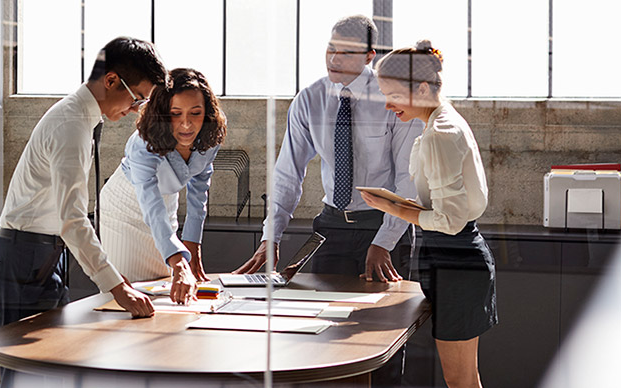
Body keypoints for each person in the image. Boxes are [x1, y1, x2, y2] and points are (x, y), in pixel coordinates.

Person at [0, 36, 166, 329]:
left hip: (41, 253)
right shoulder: (71, 126)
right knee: (25, 368)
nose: (136, 109)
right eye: (138, 98)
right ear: (110, 80)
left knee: (47, 366)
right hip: (24, 256)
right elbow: (73, 219)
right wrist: (118, 288)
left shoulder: (81, 119)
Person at [234, 15, 423, 283]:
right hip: (332, 227)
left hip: (383, 224)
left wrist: (385, 241)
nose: (334, 59)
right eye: (331, 49)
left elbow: (408, 178)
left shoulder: (393, 99)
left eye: (346, 53)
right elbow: (288, 174)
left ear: (369, 56)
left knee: (382, 319)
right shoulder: (310, 100)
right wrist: (271, 237)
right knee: (325, 313)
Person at [363, 40, 497, 388]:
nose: (387, 103)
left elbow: (450, 221)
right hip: (453, 256)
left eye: (392, 93)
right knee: (464, 379)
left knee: (460, 380)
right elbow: (442, 207)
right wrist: (397, 204)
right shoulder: (439, 123)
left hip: (457, 259)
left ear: (421, 88)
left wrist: (393, 208)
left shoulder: (440, 133)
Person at [100, 68, 227, 304]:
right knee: (129, 298)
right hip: (125, 209)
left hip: (166, 205)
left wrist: (192, 244)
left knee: (166, 293)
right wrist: (178, 259)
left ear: (207, 112)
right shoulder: (143, 142)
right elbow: (149, 202)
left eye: (195, 113)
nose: (186, 124)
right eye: (176, 113)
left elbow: (200, 186)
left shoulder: (210, 134)